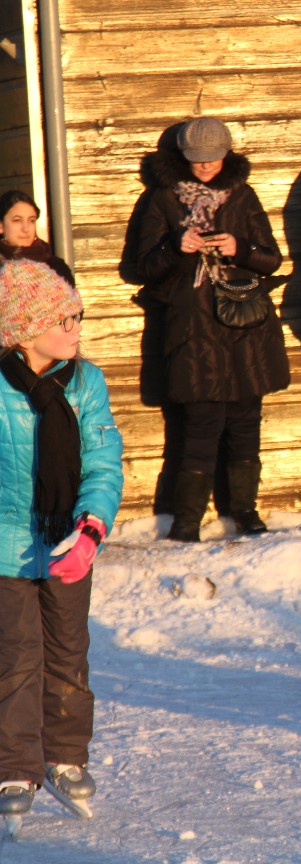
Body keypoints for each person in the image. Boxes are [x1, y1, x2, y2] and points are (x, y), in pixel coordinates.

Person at [0, 260, 123, 828]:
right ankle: (14, 766)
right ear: (24, 330)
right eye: (62, 319)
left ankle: (65, 755)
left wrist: (90, 528)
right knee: (16, 658)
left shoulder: (86, 382)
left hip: (67, 540)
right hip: (5, 547)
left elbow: (102, 462)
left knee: (69, 654)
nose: (76, 328)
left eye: (78, 316)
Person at [136, 116, 288, 542]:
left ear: (227, 155)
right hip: (193, 330)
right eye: (197, 158)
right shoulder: (163, 199)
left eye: (213, 157)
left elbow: (271, 259)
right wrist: (175, 247)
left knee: (245, 423)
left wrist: (241, 248)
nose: (205, 165)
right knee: (200, 426)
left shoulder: (242, 194)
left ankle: (245, 513)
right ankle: (186, 522)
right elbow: (141, 268)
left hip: (245, 328)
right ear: (182, 157)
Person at [0, 190, 75, 286]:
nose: (26, 229)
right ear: (1, 226)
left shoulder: (56, 267)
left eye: (31, 220)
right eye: (17, 220)